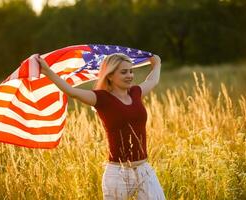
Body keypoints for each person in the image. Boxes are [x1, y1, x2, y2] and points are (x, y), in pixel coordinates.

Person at [36, 53, 166, 200]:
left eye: (131, 71)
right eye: (123, 72)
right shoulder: (101, 98)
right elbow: (71, 92)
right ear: (110, 76)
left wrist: (157, 64)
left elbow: (153, 80)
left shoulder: (136, 93)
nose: (129, 75)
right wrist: (47, 71)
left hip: (144, 170)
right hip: (118, 173)